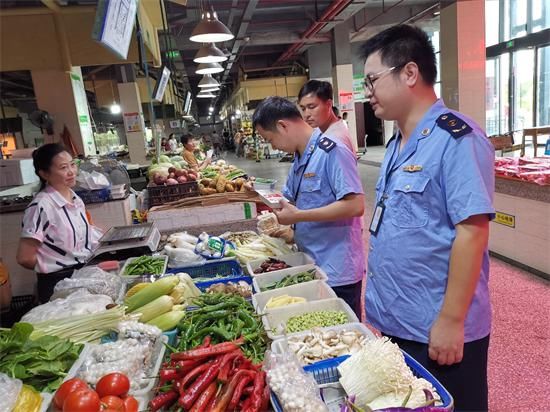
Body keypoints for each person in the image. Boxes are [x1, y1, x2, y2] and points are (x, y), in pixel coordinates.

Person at [362, 25, 494, 411]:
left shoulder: (457, 139)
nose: (368, 92)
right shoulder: (396, 143)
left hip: (437, 324)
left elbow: (472, 231)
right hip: (399, 318)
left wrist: (452, 320)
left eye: (373, 80)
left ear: (409, 73)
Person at [253, 96, 365, 317]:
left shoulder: (332, 151)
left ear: (282, 126)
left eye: (269, 139)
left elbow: (355, 205)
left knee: (343, 335)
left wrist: (299, 216)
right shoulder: (299, 158)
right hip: (312, 263)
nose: (272, 146)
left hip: (337, 271)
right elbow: (291, 199)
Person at [17, 143, 103, 303]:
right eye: (63, 167)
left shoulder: (75, 199)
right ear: (44, 174)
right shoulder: (40, 207)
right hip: (56, 286)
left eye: (72, 165)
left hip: (80, 276)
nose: (71, 172)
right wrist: (53, 266)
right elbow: (24, 257)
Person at [298, 80, 355, 154]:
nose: (306, 115)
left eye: (311, 107)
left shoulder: (337, 140)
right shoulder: (322, 130)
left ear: (328, 104)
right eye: (303, 109)